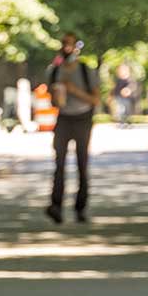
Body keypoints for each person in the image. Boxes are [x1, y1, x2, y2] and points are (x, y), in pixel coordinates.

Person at [45, 32, 99, 223]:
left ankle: (80, 207)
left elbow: (95, 99)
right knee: (59, 164)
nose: (66, 47)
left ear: (76, 46)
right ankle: (56, 205)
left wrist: (74, 90)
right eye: (63, 44)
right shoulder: (54, 71)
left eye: (69, 44)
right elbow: (53, 100)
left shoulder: (85, 70)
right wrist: (57, 96)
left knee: (81, 163)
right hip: (64, 119)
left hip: (82, 118)